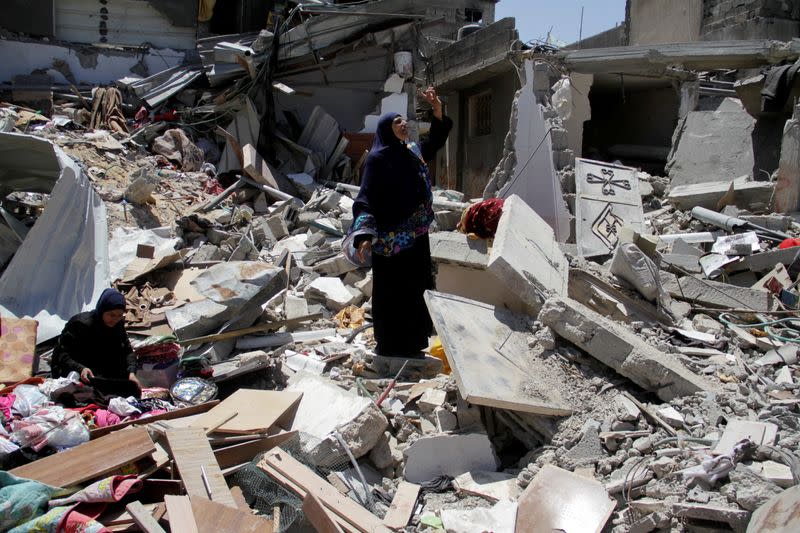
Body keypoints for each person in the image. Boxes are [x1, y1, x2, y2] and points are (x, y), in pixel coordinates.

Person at [349, 87, 452, 357]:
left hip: (417, 236)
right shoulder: (377, 159)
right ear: (386, 129)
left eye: (404, 120)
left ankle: (415, 343)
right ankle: (391, 346)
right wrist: (363, 235)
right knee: (392, 293)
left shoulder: (412, 151)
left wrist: (438, 112)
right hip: (391, 240)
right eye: (397, 121)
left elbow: (436, 141)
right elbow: (365, 198)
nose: (404, 123)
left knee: (416, 289)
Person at [51, 288, 142, 389]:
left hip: (97, 366)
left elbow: (127, 351)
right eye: (111, 315)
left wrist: (132, 372)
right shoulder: (80, 324)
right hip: (75, 367)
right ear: (102, 310)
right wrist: (80, 368)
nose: (115, 319)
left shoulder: (117, 324)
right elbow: (61, 354)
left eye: (119, 315)